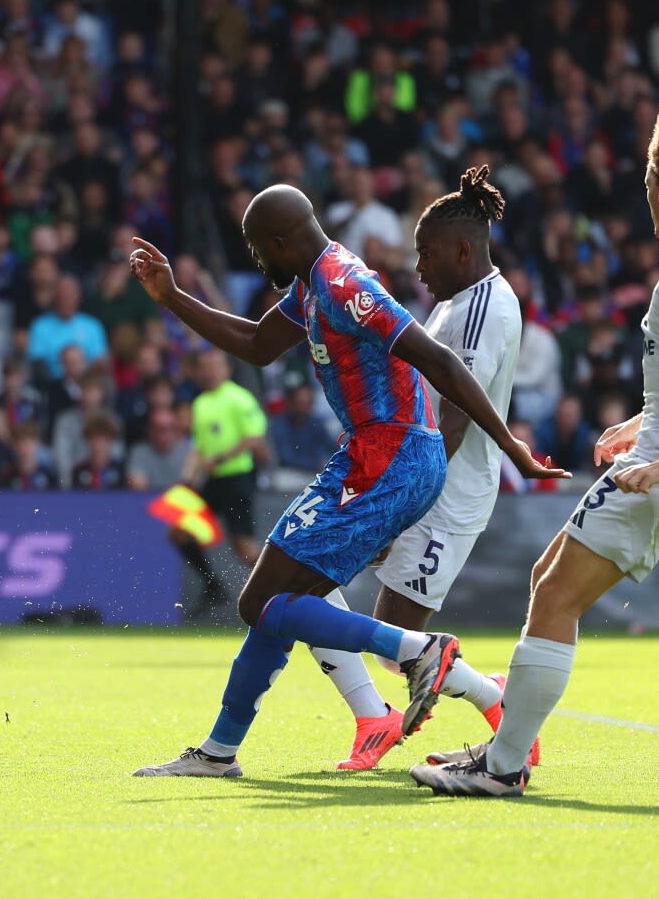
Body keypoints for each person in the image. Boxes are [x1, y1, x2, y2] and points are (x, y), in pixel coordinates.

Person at [128, 183, 566, 779]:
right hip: (371, 455)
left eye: (261, 252)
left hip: (393, 455)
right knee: (272, 602)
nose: (260, 265)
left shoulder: (344, 286)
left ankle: (414, 654)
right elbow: (258, 345)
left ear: (282, 242)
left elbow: (439, 361)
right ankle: (220, 750)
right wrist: (174, 297)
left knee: (266, 600)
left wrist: (512, 445)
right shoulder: (311, 283)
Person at [409, 90, 659, 797]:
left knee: (554, 597)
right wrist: (650, 421)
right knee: (550, 578)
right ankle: (503, 752)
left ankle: (504, 766)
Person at [309, 166, 531, 771]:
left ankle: (489, 707)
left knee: (392, 639)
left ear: (463, 250)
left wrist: (396, 508)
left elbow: (453, 420)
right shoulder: (459, 303)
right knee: (318, 579)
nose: (419, 269)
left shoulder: (484, 309)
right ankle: (397, 714)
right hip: (417, 479)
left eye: (426, 255)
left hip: (446, 494)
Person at [186, 347, 268, 572]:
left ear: (227, 369)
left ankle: (278, 579)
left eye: (214, 366)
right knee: (182, 532)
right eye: (204, 367)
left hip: (236, 478)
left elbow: (255, 438)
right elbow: (198, 447)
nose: (209, 371)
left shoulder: (238, 398)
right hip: (213, 481)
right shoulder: (200, 403)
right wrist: (188, 478)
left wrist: (220, 458)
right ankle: (213, 588)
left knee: (244, 547)